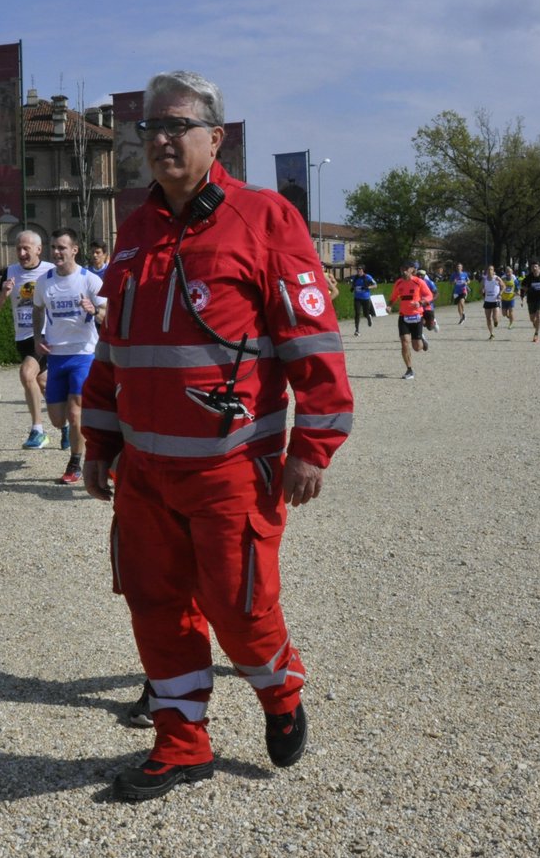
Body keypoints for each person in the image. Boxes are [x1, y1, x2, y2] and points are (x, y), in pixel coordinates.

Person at [81, 70, 353, 801]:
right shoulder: (134, 229)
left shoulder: (266, 219)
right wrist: (99, 439)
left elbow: (315, 344)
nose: (160, 140)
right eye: (149, 129)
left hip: (233, 467)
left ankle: (280, 687)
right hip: (144, 473)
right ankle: (182, 741)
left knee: (240, 607)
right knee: (154, 602)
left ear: (215, 137)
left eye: (176, 125)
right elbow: (115, 348)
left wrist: (312, 446)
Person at [32, 228, 105, 485]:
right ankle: (64, 432)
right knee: (57, 418)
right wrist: (37, 338)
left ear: (74, 250)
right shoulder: (45, 281)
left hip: (84, 353)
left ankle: (75, 462)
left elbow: (107, 315)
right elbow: (37, 309)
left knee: (76, 413)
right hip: (56, 355)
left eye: (62, 247)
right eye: (54, 247)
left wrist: (94, 309)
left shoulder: (89, 280)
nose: (56, 252)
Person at [0, 230, 57, 448]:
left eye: (26, 248)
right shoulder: (9, 272)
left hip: (44, 335)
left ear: (38, 249)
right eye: (18, 248)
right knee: (44, 385)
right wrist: (4, 294)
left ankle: (37, 430)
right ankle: (66, 426)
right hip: (22, 336)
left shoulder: (51, 270)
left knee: (26, 373)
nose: (21, 253)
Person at [388, 259, 434, 378]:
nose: (403, 271)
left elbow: (429, 295)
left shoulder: (419, 282)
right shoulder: (398, 283)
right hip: (403, 316)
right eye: (402, 269)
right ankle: (409, 369)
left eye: (406, 269)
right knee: (404, 342)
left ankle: (422, 341)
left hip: (417, 316)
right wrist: (389, 305)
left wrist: (421, 302)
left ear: (412, 270)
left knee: (417, 347)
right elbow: (393, 297)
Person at [523, 262, 540, 342]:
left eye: (535, 267)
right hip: (531, 299)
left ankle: (536, 334)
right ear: (531, 269)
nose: (534, 268)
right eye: (532, 267)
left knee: (538, 315)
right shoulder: (529, 277)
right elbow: (523, 285)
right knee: (532, 319)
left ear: (539, 268)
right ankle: (538, 323)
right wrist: (528, 290)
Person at [348, 268, 377, 335]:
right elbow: (353, 284)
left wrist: (367, 287)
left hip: (366, 298)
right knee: (357, 313)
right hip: (357, 298)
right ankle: (357, 330)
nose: (359, 272)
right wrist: (352, 288)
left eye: (360, 270)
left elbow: (375, 285)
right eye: (358, 271)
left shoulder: (368, 277)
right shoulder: (355, 277)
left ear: (363, 271)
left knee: (365, 314)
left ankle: (368, 317)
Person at [480, 266, 502, 339]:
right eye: (488, 269)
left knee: (495, 317)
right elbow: (481, 288)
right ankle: (491, 333)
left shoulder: (497, 278)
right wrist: (482, 291)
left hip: (495, 300)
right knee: (488, 318)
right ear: (486, 271)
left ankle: (496, 321)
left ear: (493, 271)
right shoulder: (484, 279)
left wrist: (500, 293)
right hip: (487, 301)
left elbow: (504, 286)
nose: (489, 271)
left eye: (491, 269)